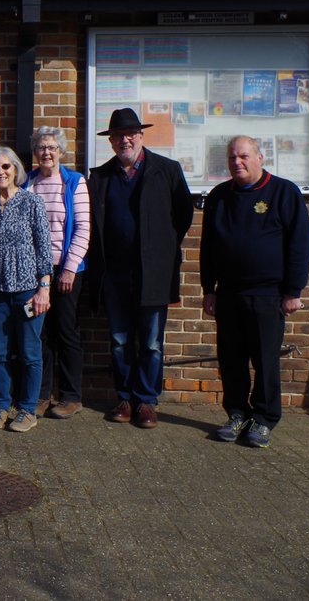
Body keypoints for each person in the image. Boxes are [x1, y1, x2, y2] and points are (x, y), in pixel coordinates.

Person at [201, 136, 309, 448]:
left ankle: (264, 420)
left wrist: (293, 291)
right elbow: (208, 247)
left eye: (244, 156)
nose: (238, 162)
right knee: (232, 359)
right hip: (228, 294)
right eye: (233, 158)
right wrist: (208, 289)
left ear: (260, 158)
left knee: (265, 361)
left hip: (268, 294)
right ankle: (237, 414)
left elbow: (300, 244)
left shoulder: (283, 192)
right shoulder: (219, 196)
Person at [87, 107, 193, 429]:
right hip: (115, 275)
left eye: (131, 134)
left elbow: (183, 215)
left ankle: (146, 401)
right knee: (119, 341)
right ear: (111, 141)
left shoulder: (168, 170)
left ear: (141, 136)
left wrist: (159, 248)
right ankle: (124, 397)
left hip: (154, 274)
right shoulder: (101, 177)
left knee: (150, 342)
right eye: (118, 135)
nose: (125, 140)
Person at [0, 146, 52, 433]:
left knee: (30, 352)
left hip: (27, 289)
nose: (1, 173)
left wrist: (44, 289)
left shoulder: (32, 203)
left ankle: (28, 409)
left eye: (6, 167)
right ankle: (1, 406)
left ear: (15, 170)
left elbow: (44, 249)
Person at [23, 127, 91, 419]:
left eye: (51, 147)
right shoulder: (28, 182)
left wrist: (69, 269)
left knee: (65, 333)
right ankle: (41, 395)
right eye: (41, 147)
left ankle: (71, 396)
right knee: (40, 335)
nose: (46, 153)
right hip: (36, 271)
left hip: (66, 271)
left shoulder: (75, 182)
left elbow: (83, 229)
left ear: (61, 152)